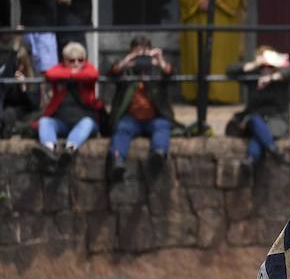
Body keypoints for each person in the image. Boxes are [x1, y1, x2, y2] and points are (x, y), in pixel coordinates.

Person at [107, 36, 177, 181]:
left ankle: (158, 154)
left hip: (154, 117)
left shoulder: (156, 69)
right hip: (131, 118)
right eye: (137, 53)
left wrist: (160, 61)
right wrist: (128, 61)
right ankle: (118, 160)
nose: (142, 59)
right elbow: (113, 72)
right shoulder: (127, 70)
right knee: (122, 128)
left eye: (144, 53)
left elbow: (170, 74)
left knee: (162, 126)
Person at [33, 42, 104, 172]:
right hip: (62, 122)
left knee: (87, 122)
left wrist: (70, 74)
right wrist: (73, 74)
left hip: (85, 122)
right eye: (72, 61)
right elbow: (50, 74)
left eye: (80, 60)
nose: (76, 63)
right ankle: (49, 149)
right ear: (64, 61)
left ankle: (69, 149)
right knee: (45, 121)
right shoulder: (59, 69)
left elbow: (92, 74)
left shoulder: (88, 68)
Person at [226, 46, 290, 170]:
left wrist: (272, 77)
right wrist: (254, 64)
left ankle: (251, 159)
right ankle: (272, 148)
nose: (265, 69)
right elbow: (230, 71)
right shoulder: (253, 78)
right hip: (255, 120)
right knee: (254, 121)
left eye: (269, 66)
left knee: (258, 134)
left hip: (277, 120)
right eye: (262, 66)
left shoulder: (281, 79)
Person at [0, 36, 40, 139]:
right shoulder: (10, 74)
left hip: (25, 111)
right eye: (16, 64)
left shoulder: (33, 76)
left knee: (9, 114)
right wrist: (14, 48)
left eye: (21, 64)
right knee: (6, 113)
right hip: (8, 108)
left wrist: (24, 87)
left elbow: (34, 105)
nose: (18, 68)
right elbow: (4, 84)